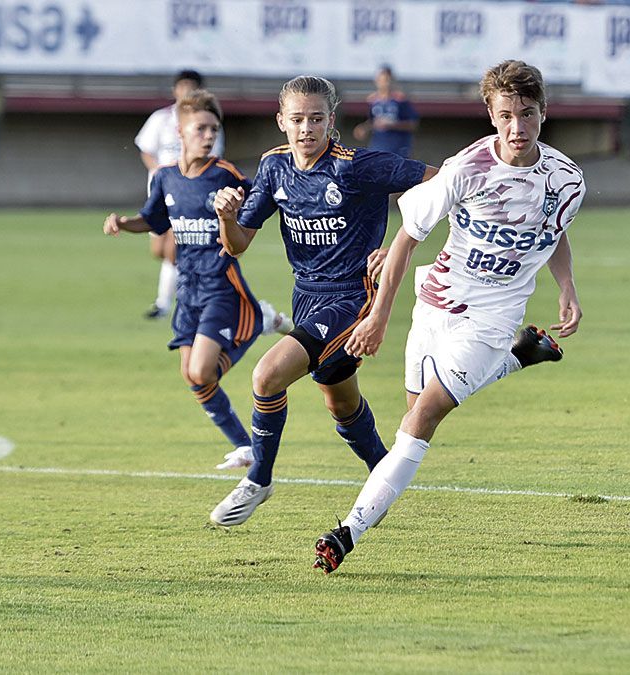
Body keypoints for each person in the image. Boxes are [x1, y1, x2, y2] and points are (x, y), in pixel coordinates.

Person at [312, 60, 586, 574]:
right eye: (506, 115)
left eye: (527, 115)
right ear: (490, 113)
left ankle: (347, 532)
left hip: (493, 316)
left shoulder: (566, 181)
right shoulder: (466, 169)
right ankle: (518, 358)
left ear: (543, 113)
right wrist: (376, 318)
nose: (517, 128)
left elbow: (553, 231)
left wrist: (566, 285)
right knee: (411, 421)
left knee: (420, 422)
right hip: (435, 304)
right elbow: (407, 239)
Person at [206, 75, 435, 527]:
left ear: (332, 122)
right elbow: (237, 245)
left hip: (354, 297)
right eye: (297, 119)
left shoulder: (356, 165)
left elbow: (438, 181)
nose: (306, 128)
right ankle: (383, 476)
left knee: (267, 376)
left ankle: (259, 478)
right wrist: (226, 217)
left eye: (316, 118)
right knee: (340, 402)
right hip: (307, 297)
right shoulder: (274, 169)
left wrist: (401, 243)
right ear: (281, 122)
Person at [104, 90, 290, 468]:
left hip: (222, 286)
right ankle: (245, 445)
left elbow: (263, 202)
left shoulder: (225, 175)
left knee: (202, 370)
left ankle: (255, 321)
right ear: (180, 131)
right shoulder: (166, 178)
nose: (209, 135)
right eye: (201, 128)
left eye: (214, 129)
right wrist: (125, 223)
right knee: (193, 378)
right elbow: (154, 221)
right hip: (188, 289)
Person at [135, 69, 226, 321]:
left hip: (190, 192)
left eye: (192, 87)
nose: (186, 91)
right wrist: (161, 172)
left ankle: (165, 303)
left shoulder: (208, 121)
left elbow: (213, 155)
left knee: (175, 247)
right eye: (182, 86)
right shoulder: (161, 118)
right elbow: (146, 149)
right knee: (159, 249)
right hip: (161, 189)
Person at [351, 66, 419, 158]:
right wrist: (364, 128)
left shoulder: (400, 100)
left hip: (398, 149)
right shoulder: (373, 101)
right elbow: (373, 122)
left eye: (387, 80)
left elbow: (412, 124)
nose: (385, 84)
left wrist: (392, 125)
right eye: (382, 80)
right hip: (378, 148)